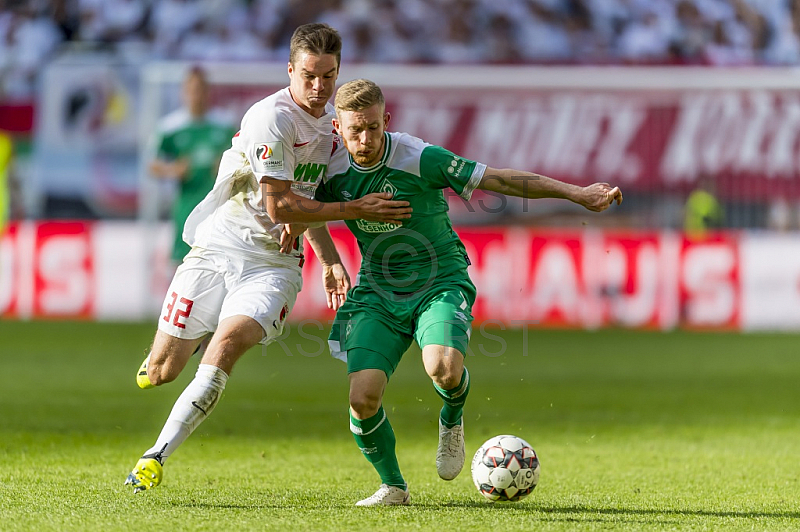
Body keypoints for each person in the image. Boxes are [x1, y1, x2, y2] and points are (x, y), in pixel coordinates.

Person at [125, 25, 412, 494]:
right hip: (219, 247)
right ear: (290, 71)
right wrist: (355, 209)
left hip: (273, 265)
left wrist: (328, 258)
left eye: (329, 76)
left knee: (227, 347)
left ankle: (154, 457)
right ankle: (180, 345)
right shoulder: (270, 118)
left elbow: (307, 200)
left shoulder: (336, 125)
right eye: (309, 76)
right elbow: (281, 206)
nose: (319, 88)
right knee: (162, 372)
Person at [315, 79, 623, 506]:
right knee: (362, 398)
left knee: (442, 368)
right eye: (354, 131)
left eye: (372, 127)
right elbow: (302, 209)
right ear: (337, 129)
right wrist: (330, 259)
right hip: (378, 291)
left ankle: (452, 417)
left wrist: (576, 194)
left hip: (439, 279)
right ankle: (393, 487)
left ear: (386, 120)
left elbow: (498, 179)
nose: (364, 139)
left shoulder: (419, 158)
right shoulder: (329, 169)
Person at [149, 66, 237, 267]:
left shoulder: (224, 125)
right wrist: (173, 170)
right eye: (191, 89)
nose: (196, 95)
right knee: (183, 267)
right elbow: (152, 165)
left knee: (220, 267)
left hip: (220, 210)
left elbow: (243, 158)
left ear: (208, 92)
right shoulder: (170, 127)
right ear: (184, 92)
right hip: (186, 208)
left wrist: (226, 165)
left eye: (200, 89)